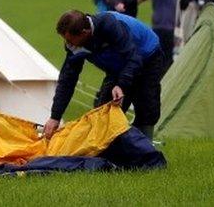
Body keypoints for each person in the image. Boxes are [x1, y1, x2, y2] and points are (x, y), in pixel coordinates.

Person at [43, 10, 166, 140]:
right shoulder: (74, 45)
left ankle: (146, 151)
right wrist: (55, 116)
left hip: (147, 57)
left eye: (70, 40)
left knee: (146, 107)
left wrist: (121, 85)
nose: (68, 44)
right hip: (118, 66)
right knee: (104, 113)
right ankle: (109, 154)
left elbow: (134, 58)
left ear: (85, 33)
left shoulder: (110, 25)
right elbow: (67, 79)